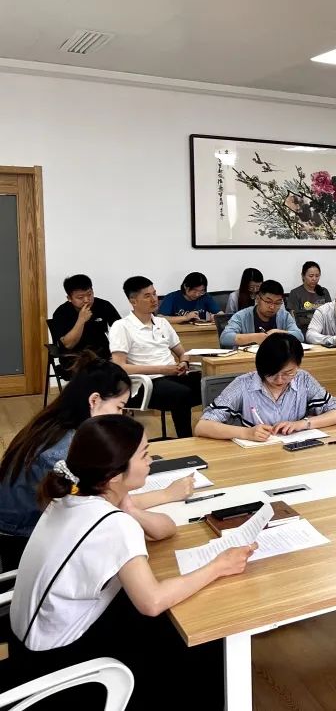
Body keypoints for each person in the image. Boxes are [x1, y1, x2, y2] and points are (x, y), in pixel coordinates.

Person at [8, 414, 253, 708]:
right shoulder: (112, 524)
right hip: (58, 664)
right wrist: (218, 566)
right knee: (201, 635)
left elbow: (165, 530)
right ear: (114, 476)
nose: (150, 461)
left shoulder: (72, 495)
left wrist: (131, 509)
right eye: (144, 455)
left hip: (32, 637)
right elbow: (152, 602)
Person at [0, 355, 194, 569]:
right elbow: (101, 505)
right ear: (94, 400)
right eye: (119, 407)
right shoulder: (66, 450)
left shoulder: (56, 424)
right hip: (25, 543)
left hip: (27, 530)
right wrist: (167, 494)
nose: (122, 416)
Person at [194, 334, 336, 441]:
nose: (279, 380)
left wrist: (302, 424)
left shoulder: (303, 379)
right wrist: (247, 433)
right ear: (261, 367)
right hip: (253, 458)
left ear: (298, 366)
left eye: (288, 373)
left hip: (294, 456)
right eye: (272, 373)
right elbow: (202, 426)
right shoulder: (243, 384)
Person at [108, 276, 201, 438]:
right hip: (146, 382)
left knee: (210, 384)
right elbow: (120, 367)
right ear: (133, 301)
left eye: (154, 294)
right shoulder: (122, 326)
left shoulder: (162, 323)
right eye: (147, 296)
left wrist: (184, 362)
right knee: (182, 394)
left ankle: (210, 433)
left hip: (173, 375)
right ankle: (186, 440)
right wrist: (163, 369)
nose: (154, 299)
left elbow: (182, 352)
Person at [50, 274, 121, 378]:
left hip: (103, 355)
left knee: (123, 365)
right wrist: (81, 320)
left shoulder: (104, 305)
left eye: (89, 294)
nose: (87, 300)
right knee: (95, 372)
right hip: (74, 358)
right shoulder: (61, 313)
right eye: (80, 297)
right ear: (69, 298)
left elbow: (120, 329)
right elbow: (68, 345)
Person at [220, 280, 304, 348]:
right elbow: (225, 337)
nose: (272, 307)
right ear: (257, 299)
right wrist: (256, 337)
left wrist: (279, 333)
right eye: (268, 302)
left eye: (277, 303)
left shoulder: (284, 316)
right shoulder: (241, 316)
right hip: (249, 360)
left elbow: (299, 336)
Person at [157, 271, 222, 324]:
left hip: (199, 332)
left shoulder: (205, 297)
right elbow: (160, 319)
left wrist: (216, 317)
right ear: (185, 286)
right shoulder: (172, 297)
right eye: (194, 291)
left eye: (201, 291)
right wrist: (185, 318)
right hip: (177, 332)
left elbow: (221, 314)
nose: (197, 294)